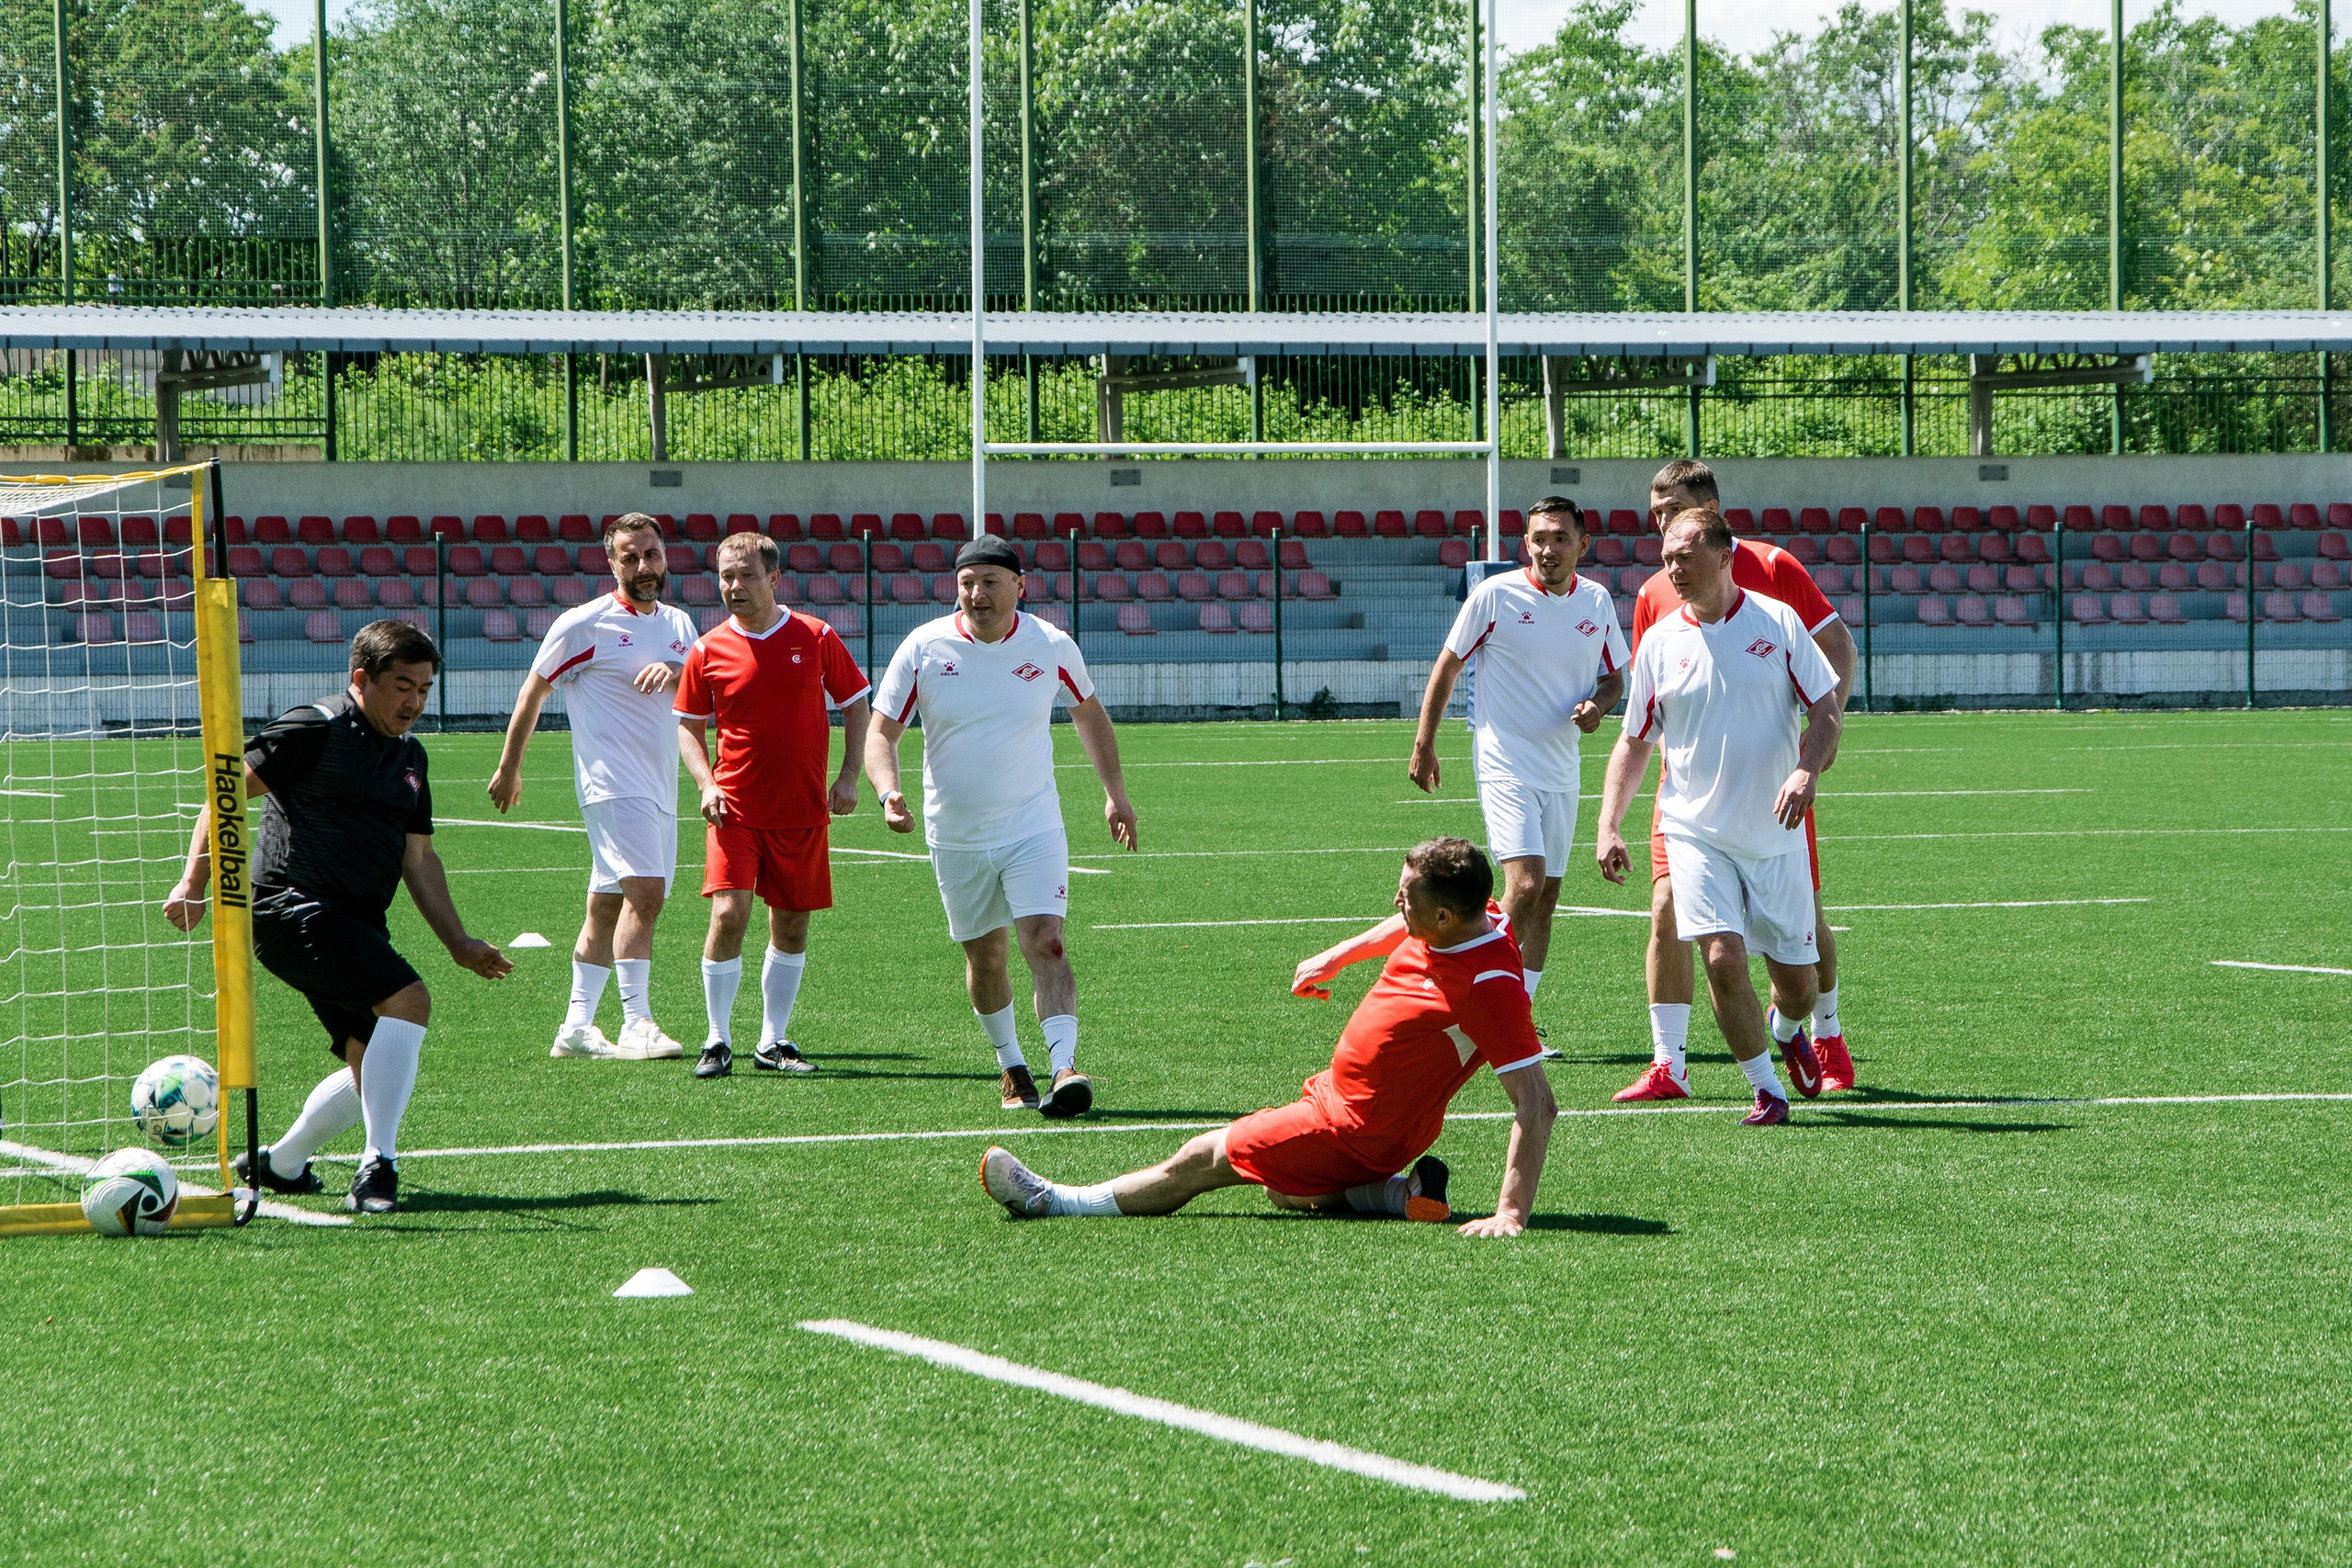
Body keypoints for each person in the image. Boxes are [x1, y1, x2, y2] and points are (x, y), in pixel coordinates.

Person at [979, 838, 1556, 1237]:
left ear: (1447, 919)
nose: (1396, 903)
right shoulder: (1480, 920)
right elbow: (1403, 927)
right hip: (1348, 1107)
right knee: (1284, 1192)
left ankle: (1053, 1200)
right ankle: (1399, 1195)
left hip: (1353, 1128)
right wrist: (1337, 956)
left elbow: (1537, 1103)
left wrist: (1510, 1212)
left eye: (1408, 899)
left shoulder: (1488, 985)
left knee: (1203, 1158)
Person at [163, 620, 512, 1214]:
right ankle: (379, 1166)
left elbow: (419, 856)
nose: (415, 701)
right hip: (290, 906)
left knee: (371, 1064)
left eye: (425, 688)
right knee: (409, 1000)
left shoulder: (410, 756)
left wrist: (458, 941)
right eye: (402, 685)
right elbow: (224, 789)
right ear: (361, 678)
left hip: (355, 920)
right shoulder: (314, 727)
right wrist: (194, 880)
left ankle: (284, 1163)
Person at [866, 536, 1137, 1119]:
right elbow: (881, 731)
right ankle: (1012, 1065)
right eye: (967, 582)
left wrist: (1115, 795)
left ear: (1019, 586)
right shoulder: (924, 647)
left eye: (990, 581)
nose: (977, 593)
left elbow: (1089, 712)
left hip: (1033, 824)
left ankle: (1065, 1065)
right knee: (986, 957)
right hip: (956, 835)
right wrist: (889, 793)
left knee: (1047, 939)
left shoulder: (1051, 644)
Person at [1596, 510, 1843, 1126]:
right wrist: (1608, 823)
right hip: (1694, 833)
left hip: (1774, 833)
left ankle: (1788, 1027)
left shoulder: (1778, 621)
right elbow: (1633, 742)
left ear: (1725, 553)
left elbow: (1826, 709)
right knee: (1722, 957)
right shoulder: (1659, 642)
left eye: (1685, 554)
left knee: (1799, 983)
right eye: (1666, 556)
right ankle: (1767, 1090)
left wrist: (1807, 769)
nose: (1672, 567)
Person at [488, 513, 697, 1061]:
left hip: (661, 787)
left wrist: (676, 676)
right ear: (611, 563)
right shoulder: (585, 623)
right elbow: (534, 692)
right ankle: (637, 1023)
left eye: (650, 554)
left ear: (664, 556)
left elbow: (704, 703)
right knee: (646, 896)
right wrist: (510, 768)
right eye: (629, 557)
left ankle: (576, 1027)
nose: (643, 566)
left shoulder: (679, 625)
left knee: (607, 907)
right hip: (611, 785)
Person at [1408, 496, 1626, 1020]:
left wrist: (1598, 705)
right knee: (1524, 884)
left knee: (1546, 899)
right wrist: (1425, 744)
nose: (1547, 549)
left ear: (1582, 544)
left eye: (1559, 538)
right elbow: (1448, 665)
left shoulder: (1596, 602)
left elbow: (1616, 676)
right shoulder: (1494, 595)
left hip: (1562, 769)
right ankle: (1464, 1000)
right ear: (1524, 542)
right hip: (1505, 763)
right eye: (1538, 539)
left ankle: (1515, 1018)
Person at [673, 531, 871, 1078]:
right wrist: (706, 784)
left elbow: (857, 704)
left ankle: (773, 1040)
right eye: (726, 577)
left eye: (746, 576)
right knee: (729, 914)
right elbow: (689, 728)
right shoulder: (707, 649)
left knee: (790, 927)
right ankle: (716, 1039)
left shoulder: (815, 635)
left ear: (774, 579)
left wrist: (849, 775)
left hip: (802, 810)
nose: (733, 587)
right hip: (733, 808)